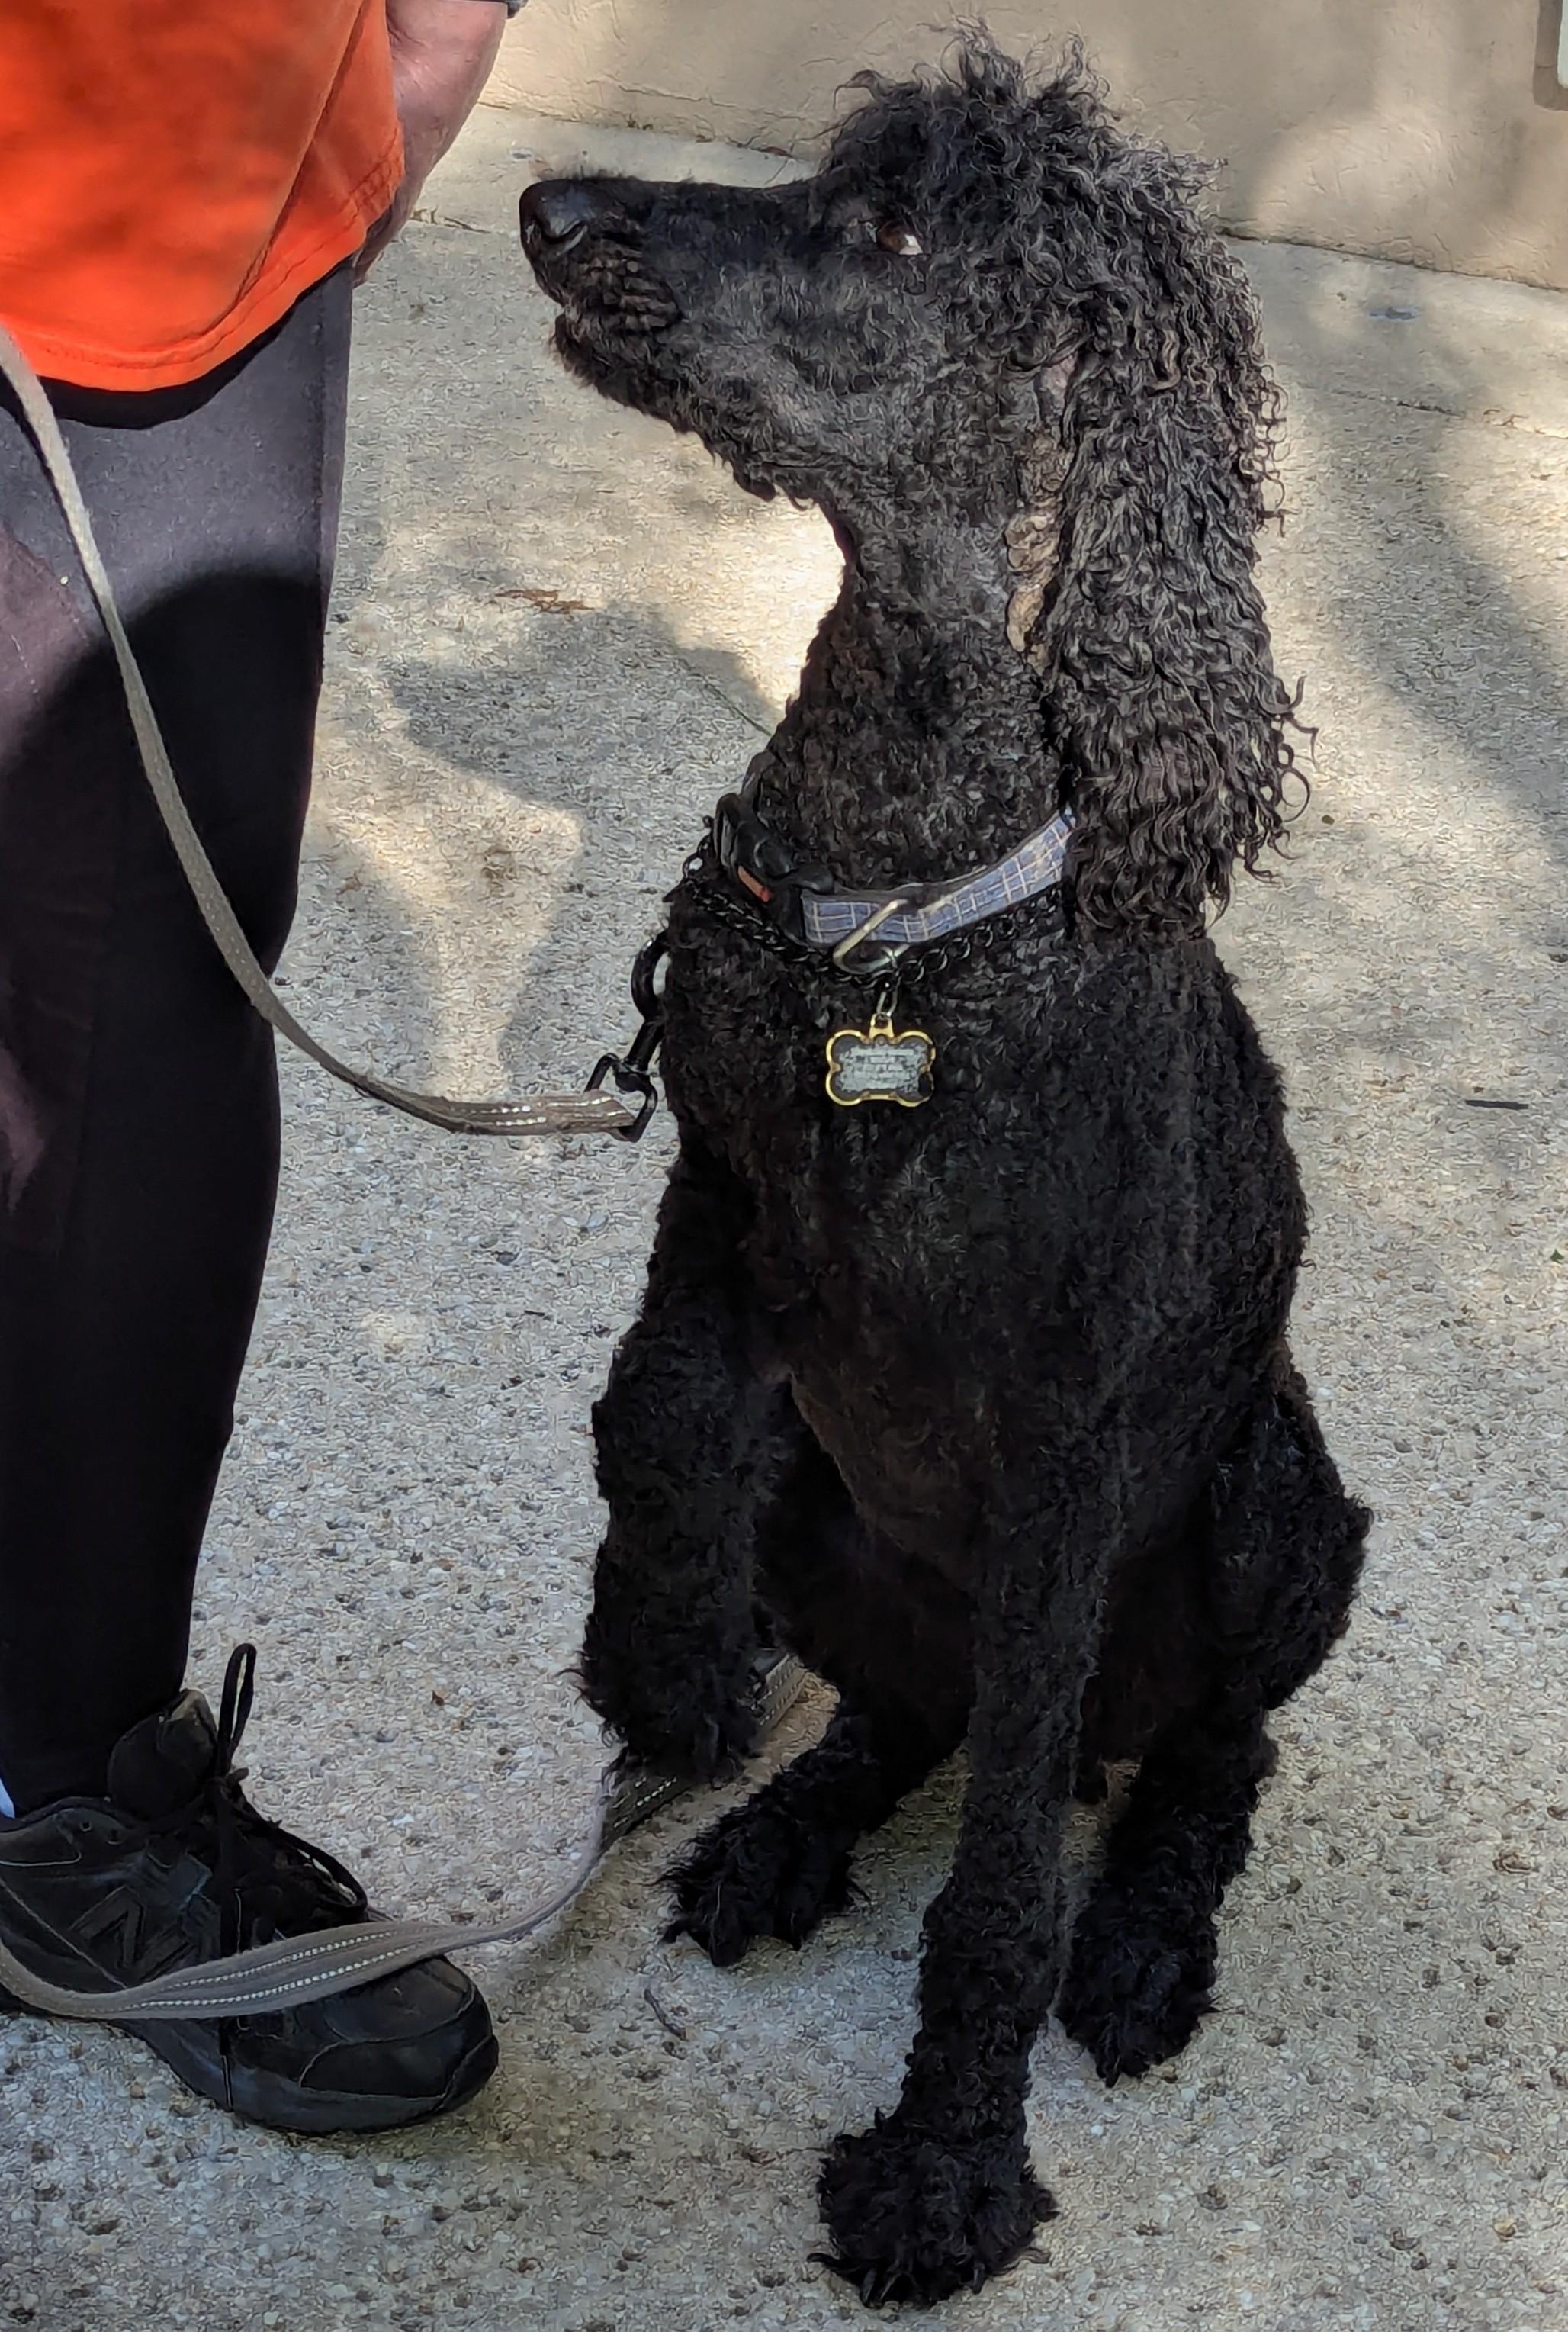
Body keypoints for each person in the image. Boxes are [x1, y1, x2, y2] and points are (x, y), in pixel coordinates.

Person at [0, 0, 529, 2132]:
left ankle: (66, 1802)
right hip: (169, 153)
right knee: (115, 1018)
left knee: (123, 1018)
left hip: (154, 175)